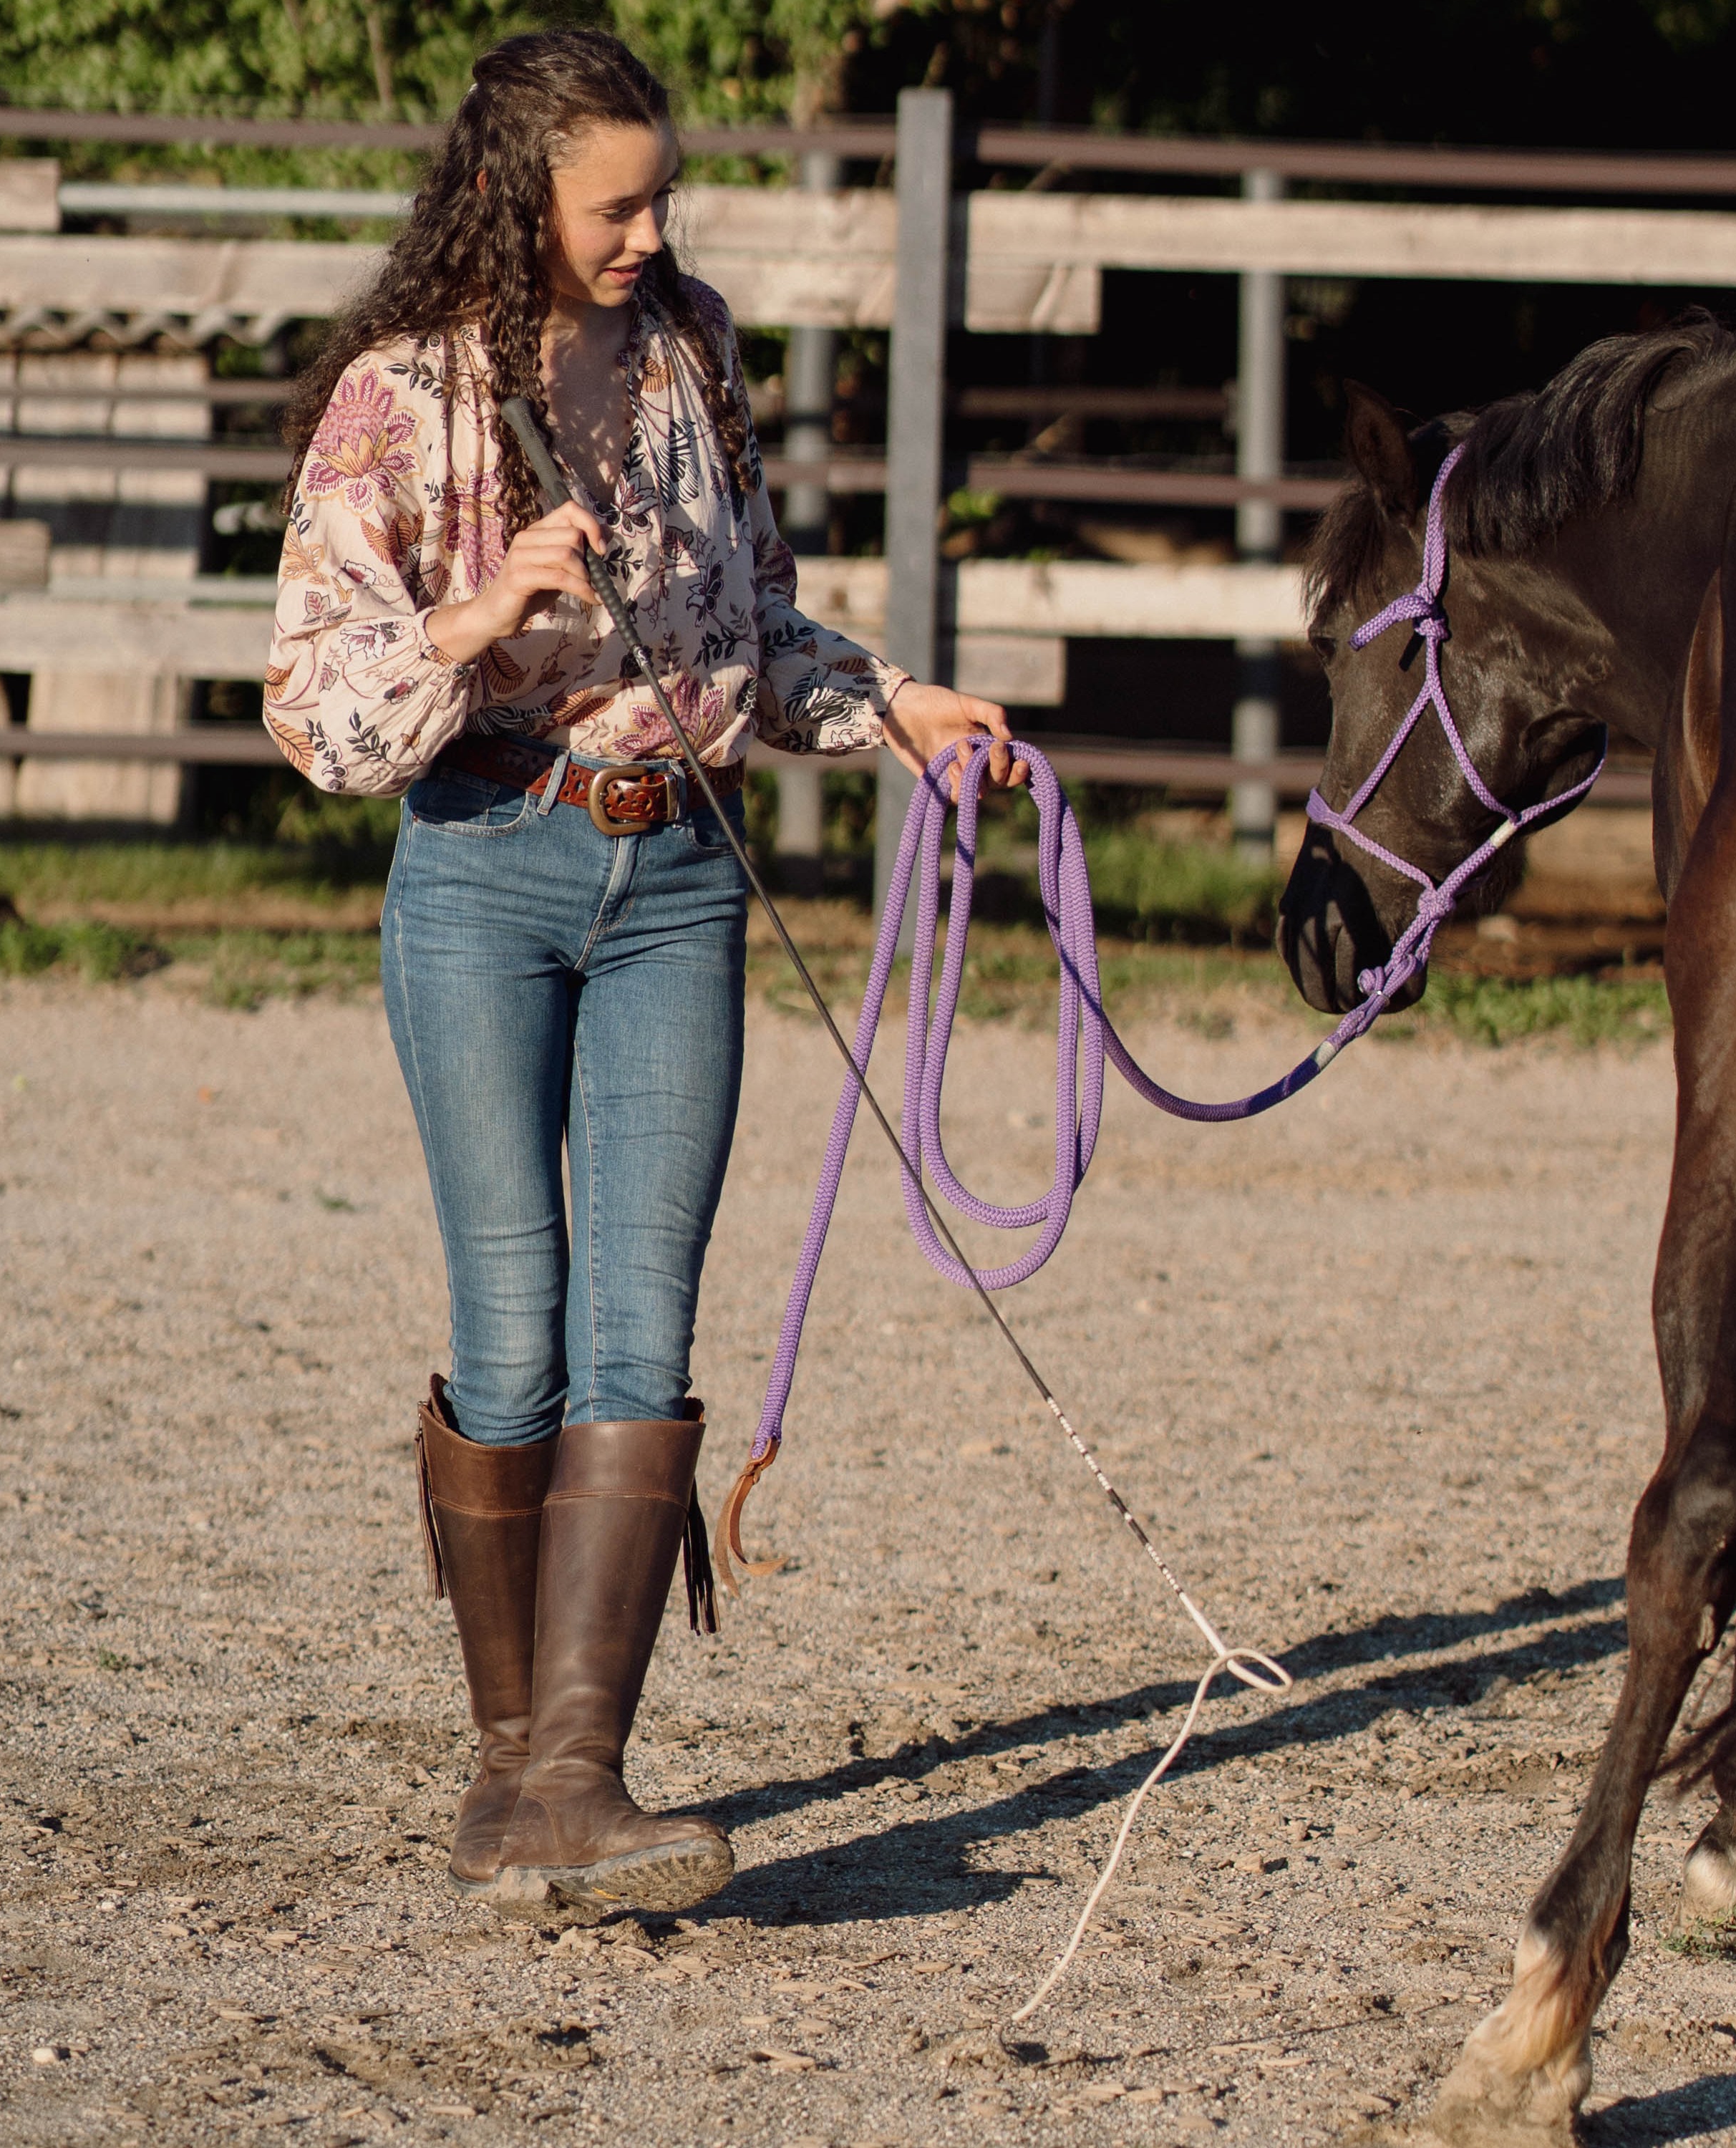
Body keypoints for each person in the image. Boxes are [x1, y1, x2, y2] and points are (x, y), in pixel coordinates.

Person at [266, 27, 1022, 1921]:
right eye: (617, 203)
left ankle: (578, 1783)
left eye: (662, 194)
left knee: (641, 1330)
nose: (650, 228)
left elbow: (749, 626)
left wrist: (896, 707)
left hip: (680, 868)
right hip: (481, 872)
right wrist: (481, 608)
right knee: (513, 1321)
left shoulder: (694, 351)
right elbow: (317, 713)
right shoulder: (395, 400)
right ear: (521, 197)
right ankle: (513, 1774)